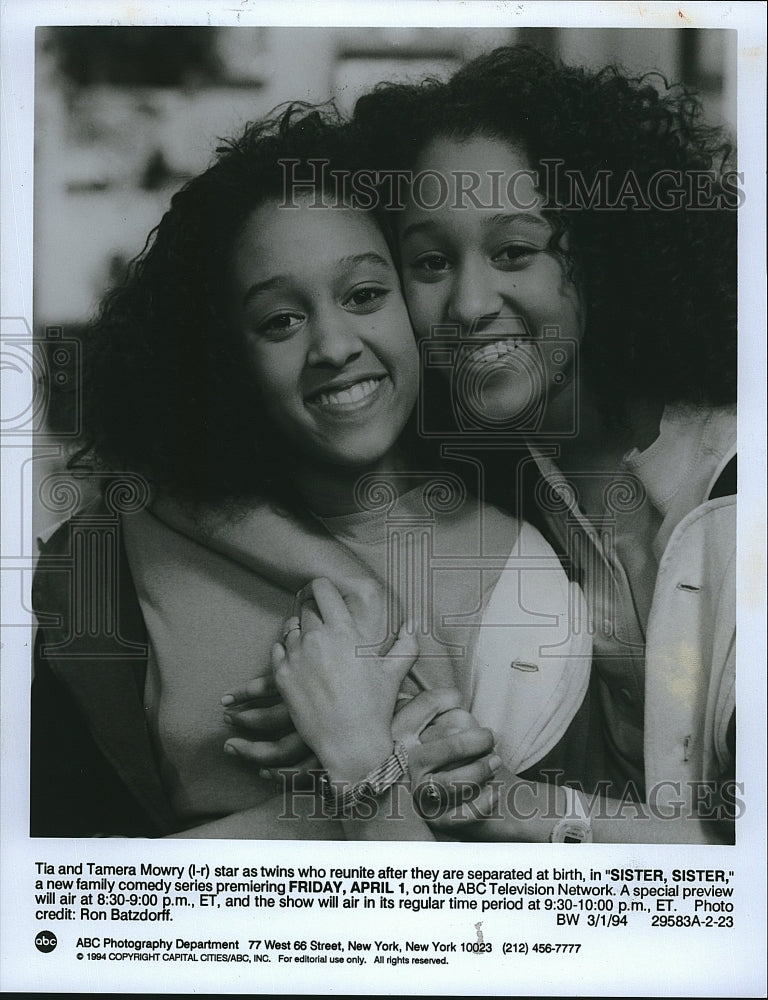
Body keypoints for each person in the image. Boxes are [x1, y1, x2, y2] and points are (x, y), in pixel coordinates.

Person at [31, 104, 589, 839]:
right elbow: (60, 895)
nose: (332, 345)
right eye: (279, 321)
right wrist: (336, 797)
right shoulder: (111, 560)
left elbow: (520, 923)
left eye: (364, 296)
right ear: (225, 358)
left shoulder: (527, 578)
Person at [228, 46, 738, 843]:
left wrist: (503, 801)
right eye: (430, 261)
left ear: (605, 249)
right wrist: (345, 695)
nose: (467, 303)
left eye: (514, 251)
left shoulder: (739, 494)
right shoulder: (498, 466)